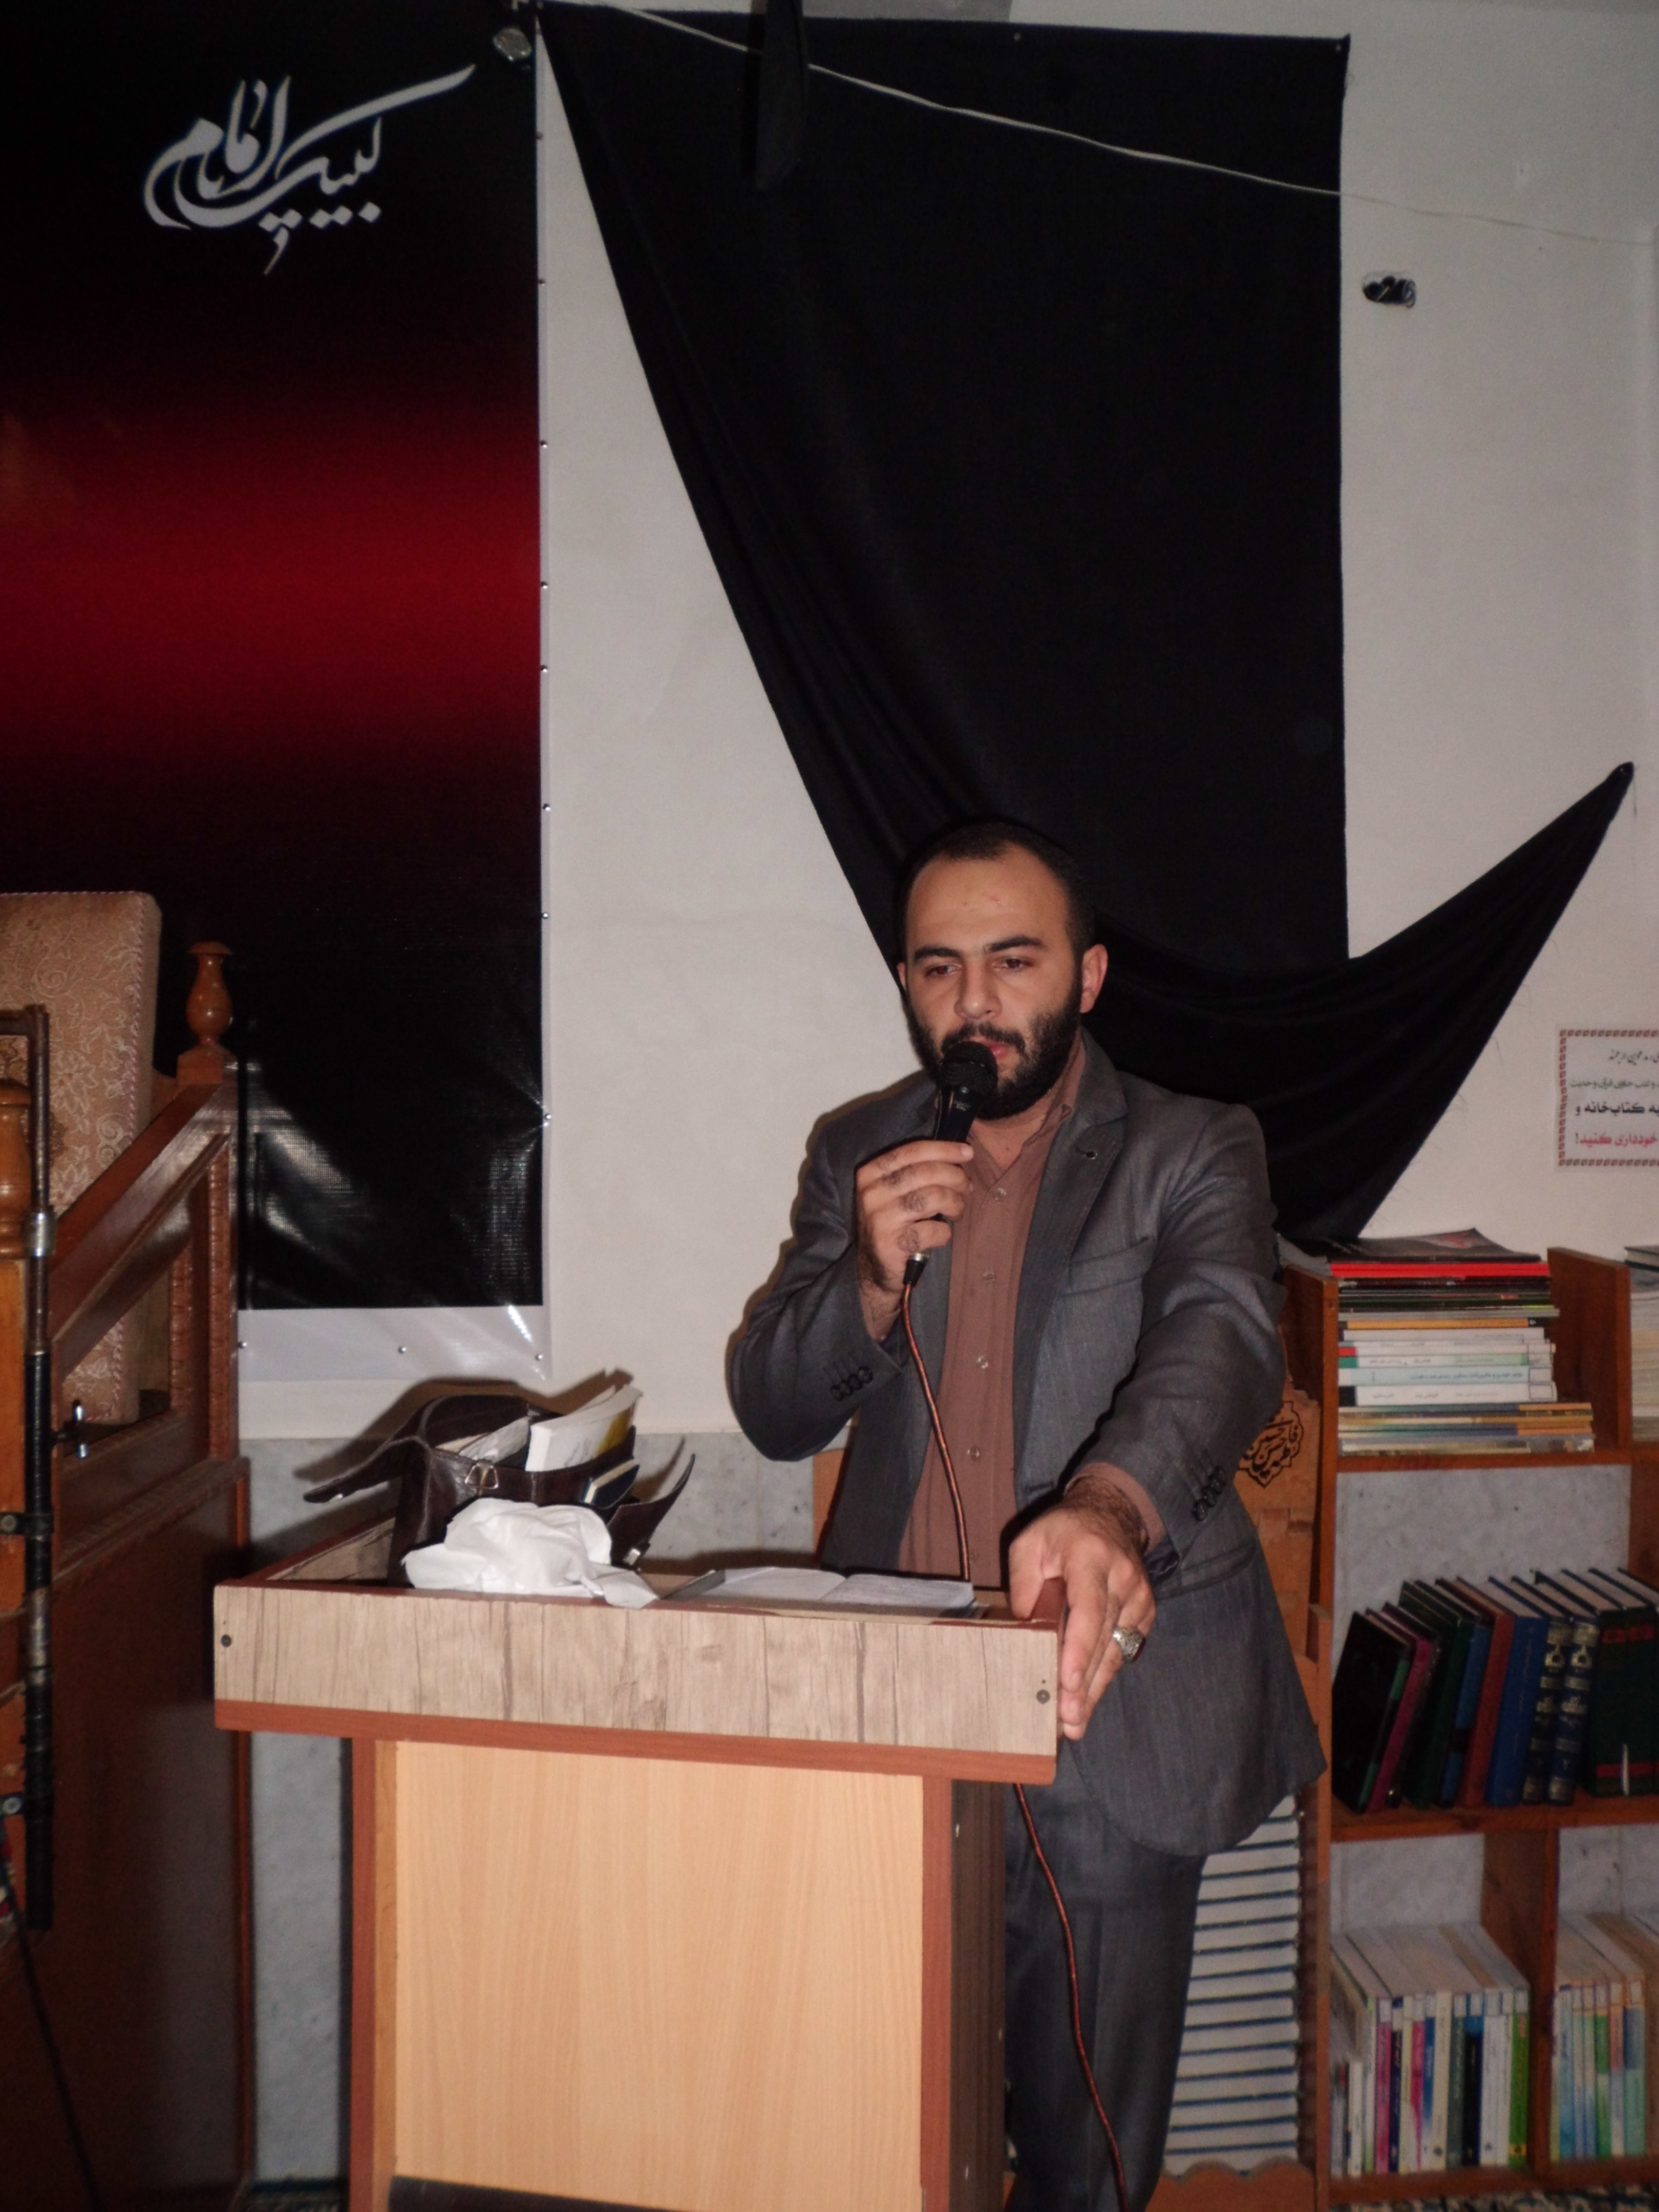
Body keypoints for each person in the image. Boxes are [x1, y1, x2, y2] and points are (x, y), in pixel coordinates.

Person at [728, 820, 1324, 2212]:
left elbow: (1225, 1344)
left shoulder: (1190, 1146)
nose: (975, 1002)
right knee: (884, 2125)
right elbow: (772, 1406)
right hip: (898, 1703)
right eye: (940, 968)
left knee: (1085, 2156)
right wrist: (866, 1282)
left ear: (1089, 976)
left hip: (1102, 1700)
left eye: (1014, 960)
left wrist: (1108, 1505)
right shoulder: (857, 1149)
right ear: (906, 982)